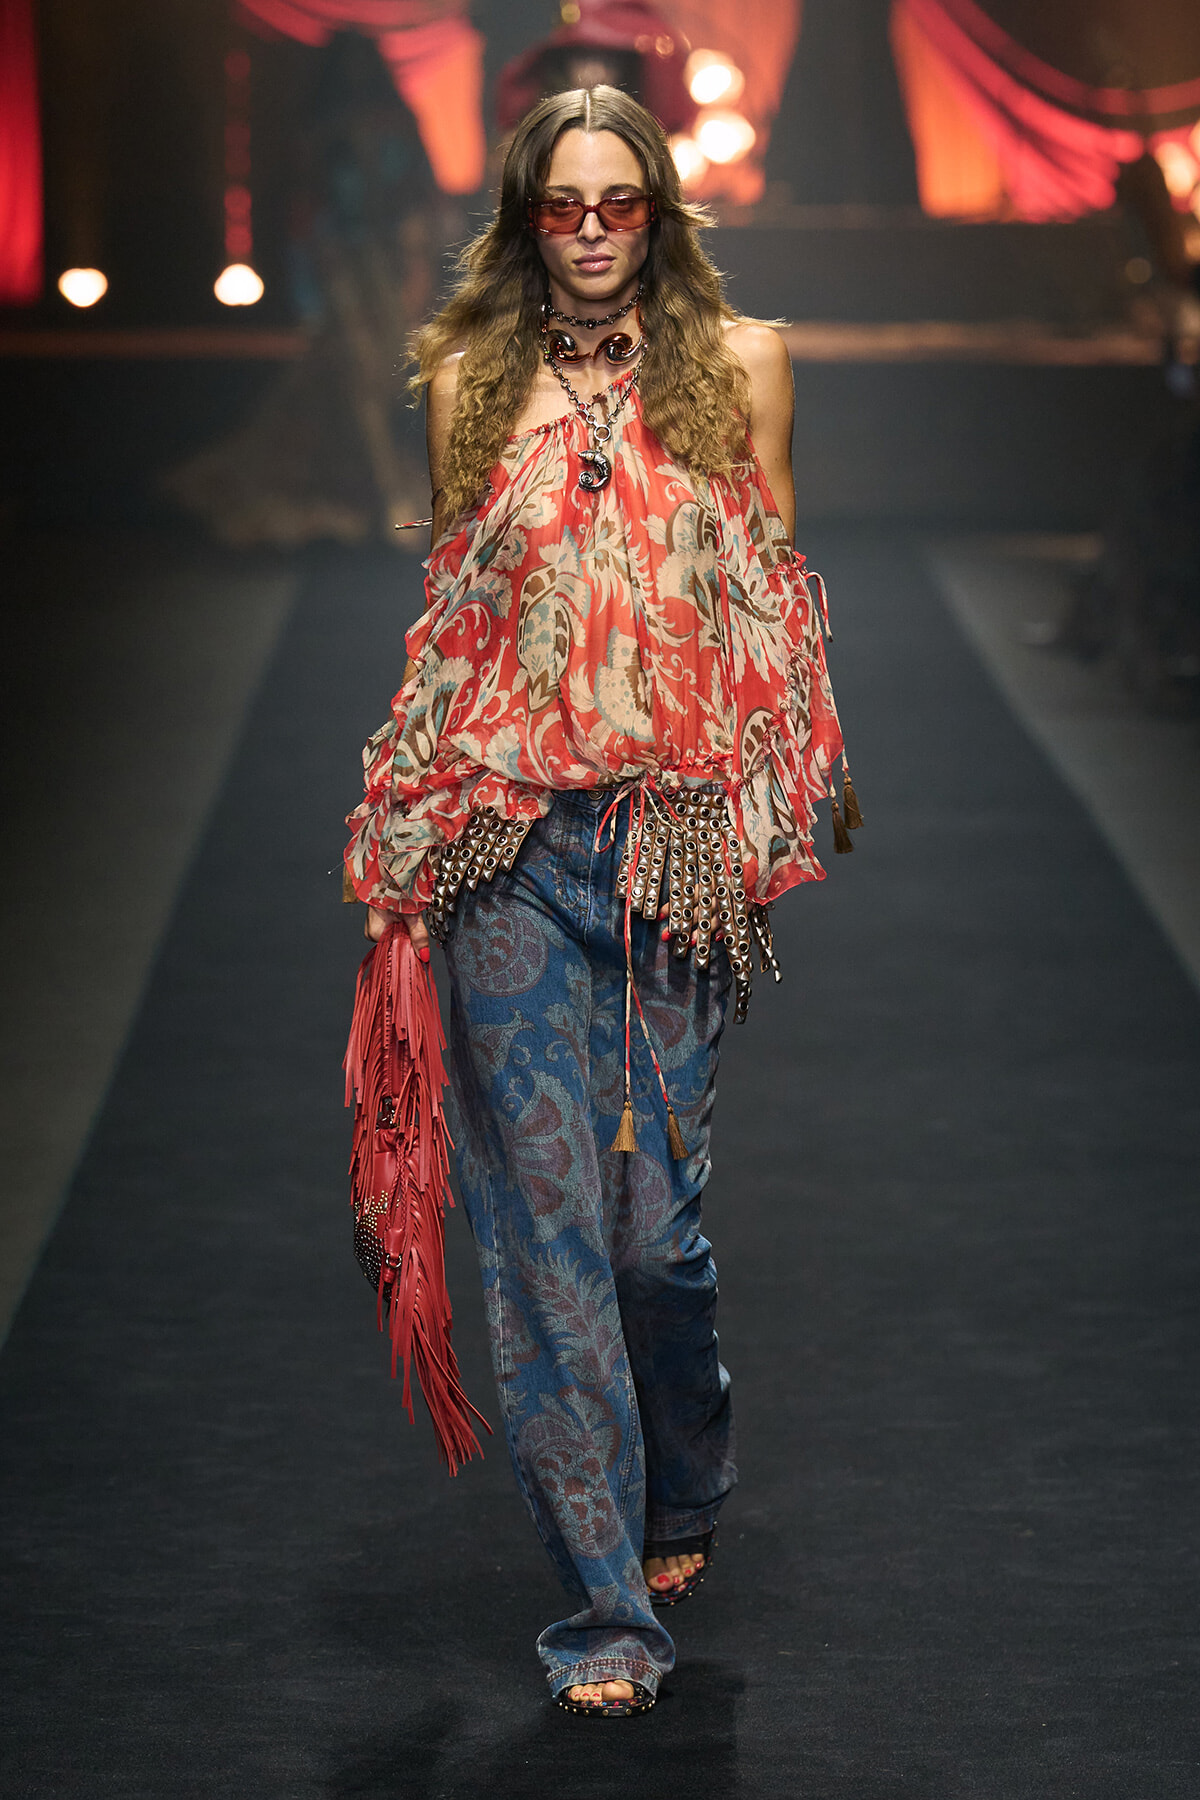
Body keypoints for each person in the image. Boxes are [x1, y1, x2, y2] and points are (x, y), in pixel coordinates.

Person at [344, 84, 852, 1718]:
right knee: (544, 1237)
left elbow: (778, 597)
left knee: (652, 1237)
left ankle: (683, 1468)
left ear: (661, 213)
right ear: (519, 215)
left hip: (677, 840)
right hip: (504, 844)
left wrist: (809, 773)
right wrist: (401, 839)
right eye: (559, 204)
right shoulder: (462, 385)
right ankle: (605, 1611)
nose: (586, 232)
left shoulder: (748, 366)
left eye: (616, 203)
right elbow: (452, 625)